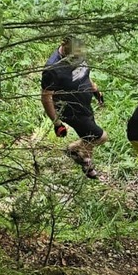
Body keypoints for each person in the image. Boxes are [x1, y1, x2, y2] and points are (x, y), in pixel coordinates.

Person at [41, 36, 106, 179]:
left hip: (84, 103)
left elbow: (84, 74)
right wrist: (57, 123)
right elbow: (46, 98)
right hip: (70, 109)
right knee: (100, 137)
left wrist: (95, 91)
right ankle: (73, 149)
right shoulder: (52, 69)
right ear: (63, 46)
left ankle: (86, 162)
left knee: (88, 135)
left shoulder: (78, 51)